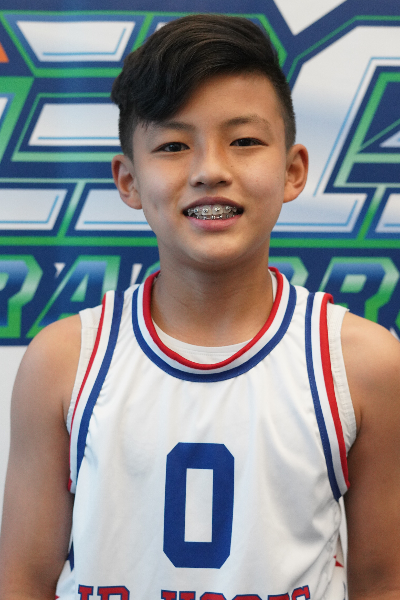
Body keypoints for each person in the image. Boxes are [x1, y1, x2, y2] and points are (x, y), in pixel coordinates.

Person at [0, 14, 400, 600]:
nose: (211, 170)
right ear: (128, 180)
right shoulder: (63, 362)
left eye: (244, 141)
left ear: (292, 171)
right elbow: (21, 582)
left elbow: (383, 582)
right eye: (173, 146)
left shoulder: (362, 365)